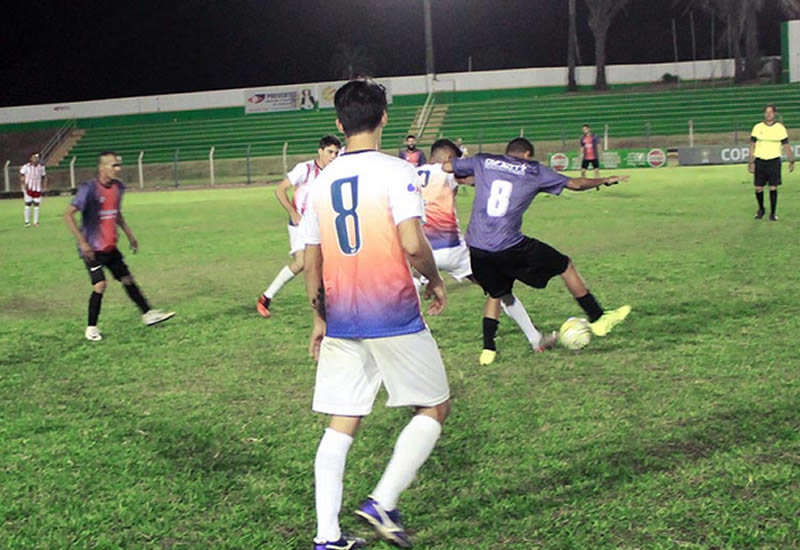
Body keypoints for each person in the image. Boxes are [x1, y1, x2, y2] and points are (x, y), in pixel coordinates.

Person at [300, 79, 450, 550]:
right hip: (393, 313)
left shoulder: (320, 182)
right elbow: (410, 242)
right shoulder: (396, 171)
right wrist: (434, 278)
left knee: (342, 420)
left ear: (338, 124)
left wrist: (319, 319)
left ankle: (327, 537)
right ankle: (382, 501)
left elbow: (311, 257)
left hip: (343, 315)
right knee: (435, 405)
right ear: (384, 118)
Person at [443, 137, 631, 347]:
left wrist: (464, 169)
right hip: (508, 245)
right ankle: (598, 318)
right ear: (526, 154)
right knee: (565, 265)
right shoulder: (533, 170)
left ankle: (488, 349)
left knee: (498, 293)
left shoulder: (484, 160)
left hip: (476, 249)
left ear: (507, 152)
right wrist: (603, 180)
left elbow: (448, 166)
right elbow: (576, 184)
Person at [416, 138, 557, 365]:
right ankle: (535, 338)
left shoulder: (410, 174)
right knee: (500, 290)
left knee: (402, 296)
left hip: (421, 252)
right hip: (453, 250)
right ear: (449, 159)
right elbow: (480, 178)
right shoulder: (448, 173)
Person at [64, 152, 175, 342]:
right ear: (102, 167)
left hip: (110, 247)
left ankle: (147, 314)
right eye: (114, 165)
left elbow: (116, 213)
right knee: (100, 285)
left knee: (127, 279)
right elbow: (68, 215)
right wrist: (83, 243)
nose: (118, 169)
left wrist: (129, 234)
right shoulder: (89, 189)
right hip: (92, 249)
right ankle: (91, 328)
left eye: (118, 165)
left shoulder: (118, 187)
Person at [257, 135, 341, 318]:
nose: (333, 156)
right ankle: (266, 297)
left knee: (330, 261)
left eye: (336, 152)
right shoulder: (306, 169)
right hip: (301, 225)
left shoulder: (336, 171)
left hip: (324, 224)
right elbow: (280, 189)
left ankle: (331, 303)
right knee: (302, 263)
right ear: (320, 151)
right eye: (329, 152)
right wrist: (292, 212)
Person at [748, 103, 795, 221]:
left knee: (773, 187)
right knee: (758, 187)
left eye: (771, 112)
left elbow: (786, 145)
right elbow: (752, 145)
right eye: (766, 112)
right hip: (760, 161)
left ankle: (773, 213)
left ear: (774, 114)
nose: (768, 114)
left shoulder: (780, 128)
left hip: (774, 161)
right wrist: (750, 162)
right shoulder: (757, 127)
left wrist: (791, 160)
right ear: (764, 114)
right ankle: (761, 209)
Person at [20, 152, 46, 227]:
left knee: (37, 204)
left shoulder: (41, 167)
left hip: (37, 187)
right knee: (28, 203)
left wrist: (44, 186)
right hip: (28, 187)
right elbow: (22, 175)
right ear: (31, 158)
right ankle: (27, 221)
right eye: (34, 157)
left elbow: (44, 176)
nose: (36, 159)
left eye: (37, 158)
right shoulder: (26, 167)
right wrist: (24, 184)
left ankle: (36, 222)